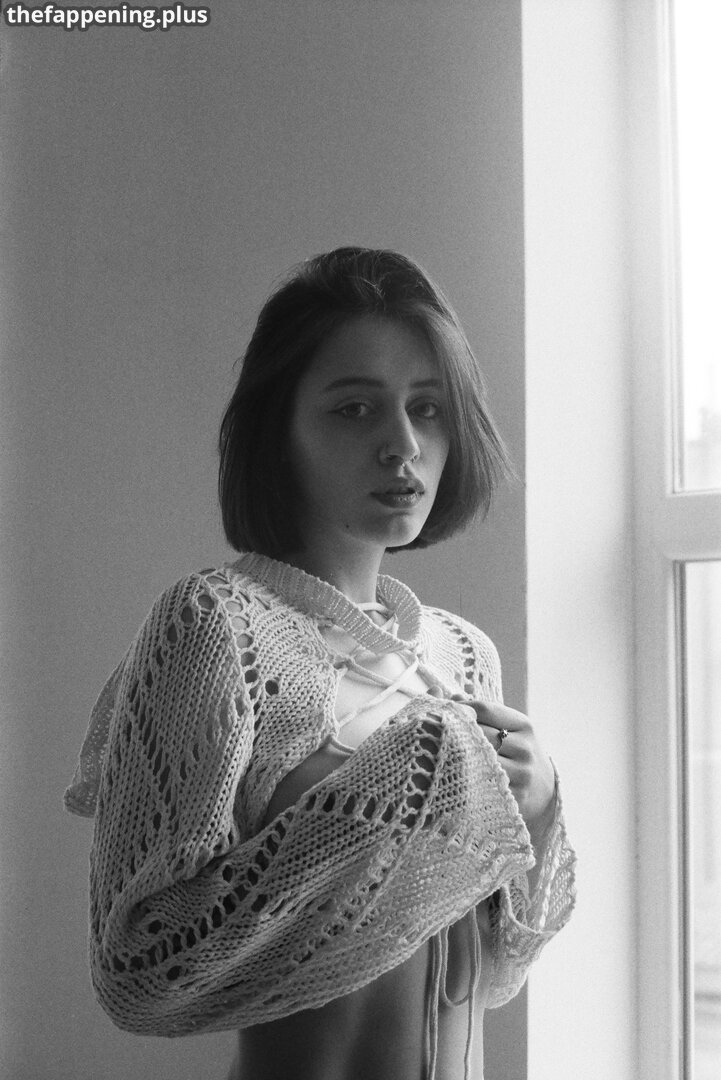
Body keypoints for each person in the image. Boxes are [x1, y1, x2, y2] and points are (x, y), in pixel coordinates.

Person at [65, 247, 576, 1080]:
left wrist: (540, 806)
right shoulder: (217, 626)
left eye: (427, 409)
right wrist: (416, 780)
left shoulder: (463, 654)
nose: (402, 445)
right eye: (354, 409)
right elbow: (139, 975)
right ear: (280, 432)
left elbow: (493, 971)